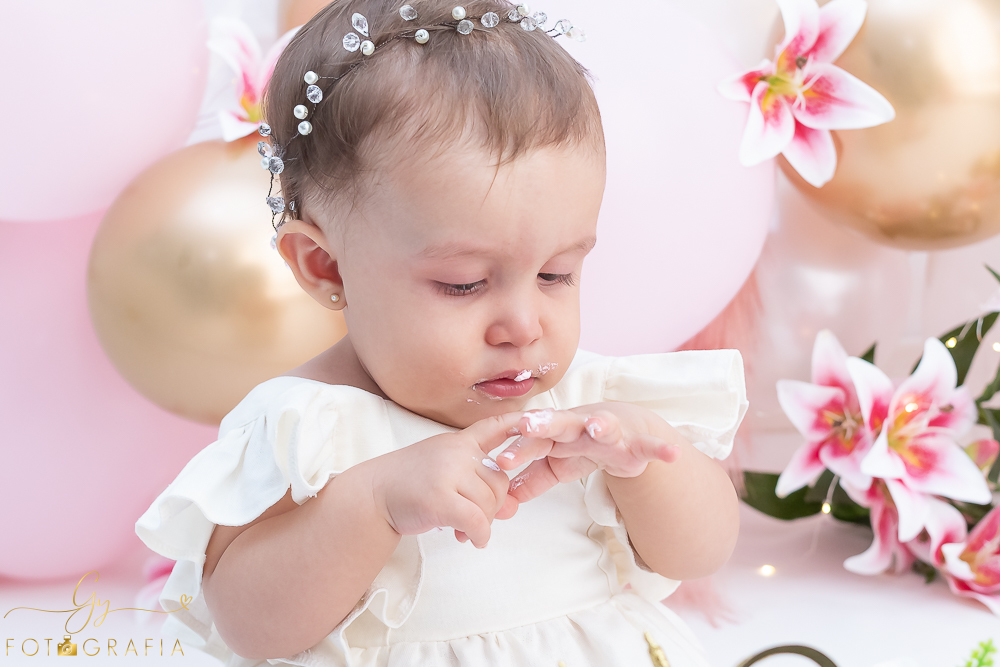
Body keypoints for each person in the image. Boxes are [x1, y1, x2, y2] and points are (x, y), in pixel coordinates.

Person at [136, 1, 749, 665]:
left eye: (556, 274)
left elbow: (701, 552)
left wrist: (645, 467)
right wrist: (373, 505)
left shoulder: (587, 405)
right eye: (464, 284)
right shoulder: (308, 427)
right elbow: (249, 626)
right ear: (326, 265)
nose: (524, 325)